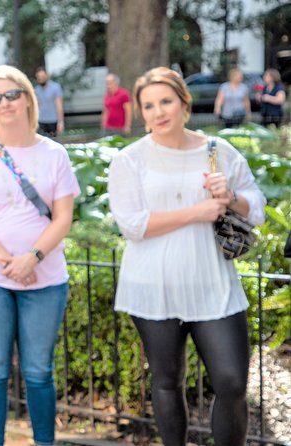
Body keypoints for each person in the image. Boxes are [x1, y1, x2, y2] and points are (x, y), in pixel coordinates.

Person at [108, 66, 265, 446]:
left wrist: (230, 198)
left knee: (231, 382)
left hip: (212, 281)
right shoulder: (130, 159)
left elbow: (255, 206)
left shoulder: (218, 151)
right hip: (152, 284)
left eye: (166, 101)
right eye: (148, 105)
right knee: (166, 380)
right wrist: (196, 212)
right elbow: (132, 224)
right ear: (141, 112)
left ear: (185, 102)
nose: (158, 112)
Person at [0, 65, 80, 446]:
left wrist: (33, 258)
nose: (5, 103)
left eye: (12, 94)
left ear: (28, 97)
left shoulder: (54, 154)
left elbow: (63, 217)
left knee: (39, 370)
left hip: (45, 278)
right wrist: (9, 262)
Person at [34, 66, 64, 137]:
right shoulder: (37, 89)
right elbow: (37, 105)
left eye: (42, 76)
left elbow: (59, 105)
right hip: (41, 121)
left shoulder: (55, 88)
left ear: (47, 76)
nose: (40, 79)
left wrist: (60, 122)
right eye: (39, 77)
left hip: (53, 121)